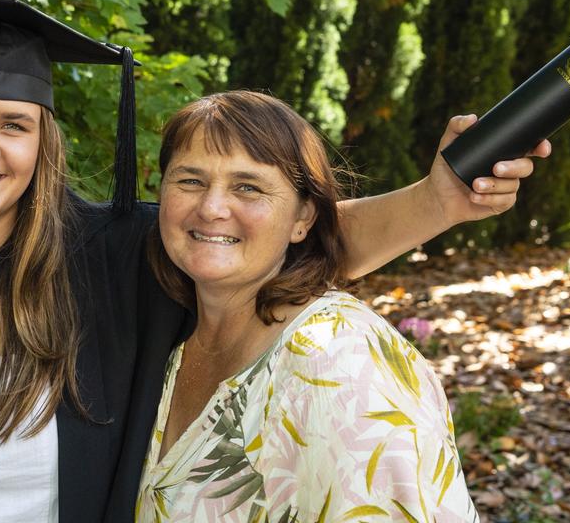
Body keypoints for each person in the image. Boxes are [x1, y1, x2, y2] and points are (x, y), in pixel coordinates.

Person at [0, 0, 546, 523]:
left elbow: (267, 244)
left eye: (15, 125)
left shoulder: (101, 267)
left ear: (43, 141)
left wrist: (438, 200)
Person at [136, 90, 477, 522]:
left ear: (303, 219)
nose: (211, 207)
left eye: (248, 187)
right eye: (190, 180)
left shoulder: (337, 359)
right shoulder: (167, 339)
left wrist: (436, 200)